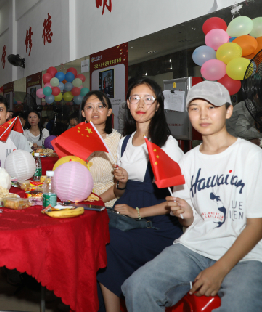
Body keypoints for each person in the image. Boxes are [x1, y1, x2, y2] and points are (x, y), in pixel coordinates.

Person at [123, 81, 262, 312]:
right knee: (137, 287)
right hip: (195, 248)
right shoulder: (187, 161)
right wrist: (185, 214)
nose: (203, 115)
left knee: (239, 305)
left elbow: (257, 225)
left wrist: (220, 269)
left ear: (228, 111)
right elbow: (189, 223)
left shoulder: (251, 156)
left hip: (247, 254)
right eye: (195, 108)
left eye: (212, 107)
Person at [96, 77, 184, 312]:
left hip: (157, 225)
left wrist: (138, 212)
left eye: (148, 98)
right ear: (128, 103)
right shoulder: (124, 142)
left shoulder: (166, 144)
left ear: (158, 105)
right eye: (135, 98)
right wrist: (120, 183)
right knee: (92, 235)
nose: (141, 104)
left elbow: (180, 199)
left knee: (107, 243)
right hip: (125, 217)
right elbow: (120, 190)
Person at [80, 91, 122, 207]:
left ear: (109, 112)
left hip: (108, 205)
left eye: (100, 106)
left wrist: (96, 202)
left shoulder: (119, 141)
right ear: (83, 113)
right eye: (89, 107)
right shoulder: (75, 140)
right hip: (78, 202)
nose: (95, 111)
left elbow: (121, 184)